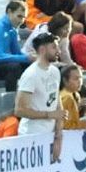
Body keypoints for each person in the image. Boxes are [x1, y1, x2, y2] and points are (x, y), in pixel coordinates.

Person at [16, 30, 65, 159]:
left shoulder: (55, 71)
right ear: (42, 49)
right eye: (54, 47)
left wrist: (58, 135)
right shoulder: (31, 74)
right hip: (31, 134)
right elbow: (20, 110)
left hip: (50, 133)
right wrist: (49, 114)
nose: (58, 51)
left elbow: (57, 101)